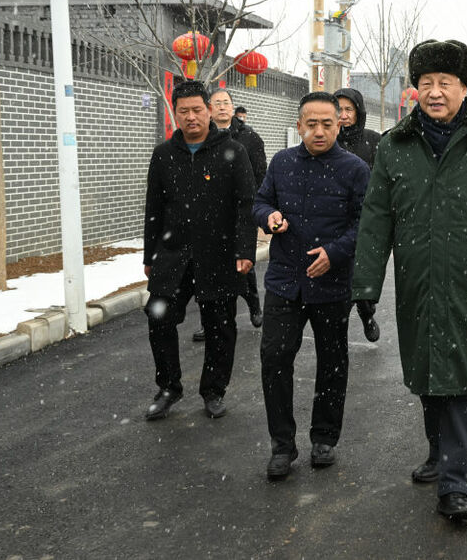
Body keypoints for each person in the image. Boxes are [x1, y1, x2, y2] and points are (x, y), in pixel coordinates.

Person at [352, 39, 467, 523]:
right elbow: (376, 219)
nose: (435, 92)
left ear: (464, 88)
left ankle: (456, 484)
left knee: (465, 381)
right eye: (426, 83)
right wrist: (366, 282)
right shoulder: (395, 146)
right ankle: (439, 453)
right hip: (418, 281)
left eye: (445, 83)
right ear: (415, 88)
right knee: (429, 375)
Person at [253, 92, 370, 481]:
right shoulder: (282, 162)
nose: (319, 131)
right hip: (285, 280)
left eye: (327, 124)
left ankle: (324, 438)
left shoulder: (355, 169)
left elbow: (365, 223)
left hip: (331, 283)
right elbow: (260, 202)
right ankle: (282, 445)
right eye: (311, 124)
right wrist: (269, 216)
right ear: (299, 125)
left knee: (332, 362)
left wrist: (335, 253)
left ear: (340, 124)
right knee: (274, 359)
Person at [142, 80, 256, 421]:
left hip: (219, 253)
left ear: (208, 110)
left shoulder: (232, 151)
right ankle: (168, 387)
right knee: (159, 318)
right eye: (184, 111)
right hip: (172, 254)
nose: (191, 117)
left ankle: (214, 390)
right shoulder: (164, 155)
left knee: (220, 325)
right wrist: (149, 256)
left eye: (197, 110)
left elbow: (245, 204)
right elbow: (153, 209)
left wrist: (244, 250)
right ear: (175, 114)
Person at [191, 88, 267, 343]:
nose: (222, 107)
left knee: (243, 262)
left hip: (240, 212)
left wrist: (255, 205)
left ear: (232, 108)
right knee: (206, 270)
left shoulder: (250, 138)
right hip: (208, 216)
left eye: (226, 102)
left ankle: (254, 305)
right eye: (217, 103)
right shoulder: (200, 137)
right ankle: (209, 322)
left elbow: (260, 174)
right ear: (209, 108)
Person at [334, 87, 382, 342]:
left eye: (348, 110)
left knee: (360, 277)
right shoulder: (326, 139)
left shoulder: (373, 141)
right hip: (334, 221)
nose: (343, 115)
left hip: (366, 220)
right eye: (338, 109)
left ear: (358, 112)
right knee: (339, 280)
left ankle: (366, 313)